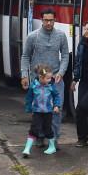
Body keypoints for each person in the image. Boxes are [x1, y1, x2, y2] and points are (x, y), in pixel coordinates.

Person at [20, 8, 69, 142]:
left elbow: (65, 55)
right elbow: (25, 56)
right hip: (38, 80)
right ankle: (40, 136)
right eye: (46, 20)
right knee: (39, 110)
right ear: (41, 20)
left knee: (56, 110)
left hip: (55, 79)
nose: (48, 23)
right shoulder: (33, 36)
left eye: (51, 20)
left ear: (55, 20)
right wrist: (24, 75)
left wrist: (61, 72)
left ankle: (54, 139)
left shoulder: (61, 36)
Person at [22, 65, 62, 157]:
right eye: (47, 78)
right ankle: (27, 149)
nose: (50, 80)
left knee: (48, 130)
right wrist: (29, 108)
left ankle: (52, 147)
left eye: (50, 78)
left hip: (48, 112)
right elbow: (29, 97)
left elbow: (57, 96)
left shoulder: (51, 86)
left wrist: (56, 106)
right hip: (37, 112)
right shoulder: (34, 86)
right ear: (41, 77)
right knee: (34, 129)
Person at [71, 23, 88, 147]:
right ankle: (82, 139)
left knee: (82, 107)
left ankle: (83, 138)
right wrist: (75, 79)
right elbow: (78, 62)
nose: (86, 32)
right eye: (85, 29)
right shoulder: (81, 44)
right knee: (80, 111)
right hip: (84, 80)